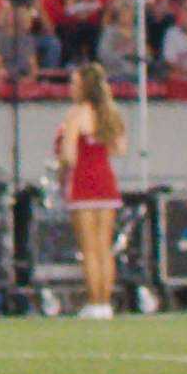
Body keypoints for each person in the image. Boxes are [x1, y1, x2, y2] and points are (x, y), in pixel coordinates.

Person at [58, 60, 128, 316]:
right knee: (104, 247)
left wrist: (63, 167)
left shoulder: (76, 114)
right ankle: (105, 302)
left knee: (88, 248)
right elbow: (120, 148)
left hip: (83, 183)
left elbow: (68, 156)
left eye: (75, 83)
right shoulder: (110, 113)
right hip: (106, 181)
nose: (71, 88)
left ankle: (94, 302)